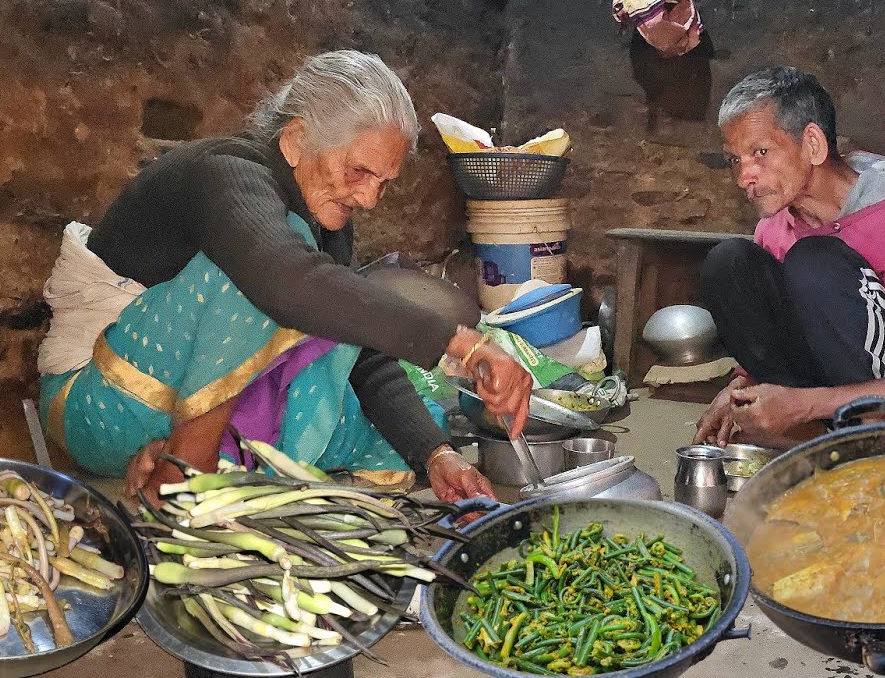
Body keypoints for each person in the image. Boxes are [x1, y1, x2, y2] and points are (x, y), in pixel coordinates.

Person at [36, 50, 531, 505]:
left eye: (384, 183)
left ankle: (214, 457)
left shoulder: (323, 223)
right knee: (280, 270)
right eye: (359, 172)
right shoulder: (227, 172)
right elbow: (283, 280)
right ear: (296, 140)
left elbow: (359, 352)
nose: (370, 198)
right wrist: (458, 342)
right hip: (99, 403)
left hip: (177, 407)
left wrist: (435, 454)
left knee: (411, 420)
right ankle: (184, 470)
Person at [694, 67, 885, 448]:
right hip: (830, 387)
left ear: (812, 144)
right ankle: (822, 434)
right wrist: (742, 384)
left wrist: (803, 405)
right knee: (728, 262)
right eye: (735, 159)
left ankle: (869, 436)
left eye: (760, 152)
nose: (743, 177)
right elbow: (778, 324)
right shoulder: (776, 226)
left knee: (814, 262)